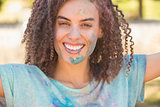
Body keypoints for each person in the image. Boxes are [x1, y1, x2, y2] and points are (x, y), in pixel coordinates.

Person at [0, 0, 160, 106]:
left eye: (86, 25)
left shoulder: (121, 74)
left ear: (101, 29)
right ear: (49, 28)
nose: (74, 35)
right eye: (63, 23)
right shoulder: (17, 79)